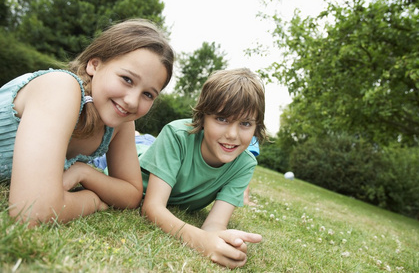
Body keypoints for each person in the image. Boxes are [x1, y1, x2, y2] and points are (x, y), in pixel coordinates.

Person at [0, 19, 174, 226]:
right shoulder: (60, 87)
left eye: (147, 94)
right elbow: (32, 212)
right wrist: (91, 200)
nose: (132, 101)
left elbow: (132, 194)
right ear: (94, 64)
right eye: (127, 79)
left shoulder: (119, 123)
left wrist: (85, 172)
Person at [140, 68, 267, 268]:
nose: (232, 134)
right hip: (133, 160)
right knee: (136, 142)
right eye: (222, 119)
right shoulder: (176, 135)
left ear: (256, 127)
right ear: (203, 117)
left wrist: (225, 242)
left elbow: (215, 224)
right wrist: (200, 241)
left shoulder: (245, 164)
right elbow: (152, 208)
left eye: (245, 123)